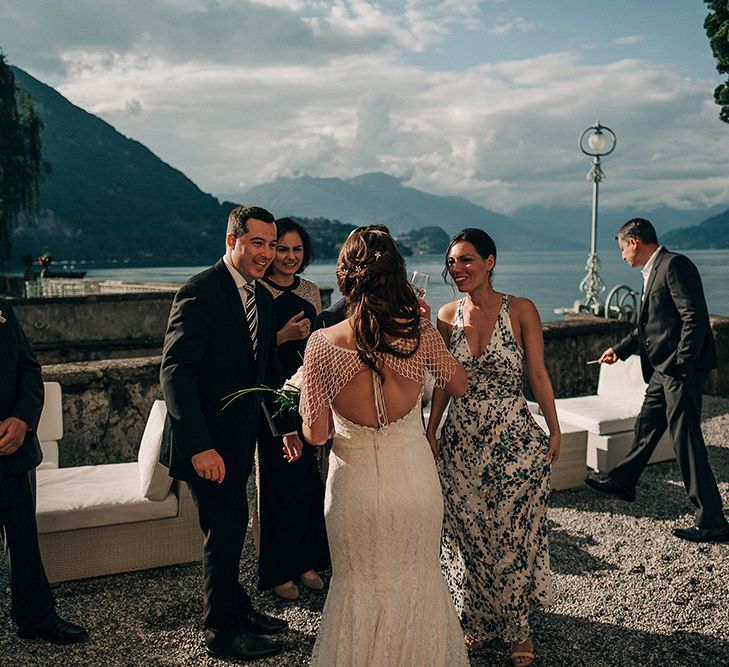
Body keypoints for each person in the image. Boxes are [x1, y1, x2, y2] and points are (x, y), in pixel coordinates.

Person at [299, 227, 470, 666]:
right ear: (396, 276)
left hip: (353, 488)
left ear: (346, 277)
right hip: (413, 483)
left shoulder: (322, 344)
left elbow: (316, 435)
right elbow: (459, 384)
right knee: (418, 578)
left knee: (356, 585)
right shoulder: (418, 335)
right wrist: (426, 328)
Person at [160, 205, 304, 661]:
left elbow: (265, 374)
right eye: (257, 243)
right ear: (232, 242)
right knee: (224, 530)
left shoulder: (261, 298)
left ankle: (236, 607)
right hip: (204, 443)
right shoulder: (200, 291)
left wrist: (283, 429)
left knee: (230, 528)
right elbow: (175, 373)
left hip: (240, 441)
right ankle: (221, 631)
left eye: (272, 244)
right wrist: (200, 446)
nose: (267, 253)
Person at [426, 228, 559, 667]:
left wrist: (554, 429)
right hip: (460, 441)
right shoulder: (447, 315)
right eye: (452, 262)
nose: (457, 269)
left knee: (511, 535)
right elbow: (445, 380)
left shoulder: (519, 309)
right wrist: (432, 429)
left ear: (490, 261)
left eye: (466, 260)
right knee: (468, 535)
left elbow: (537, 374)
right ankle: (479, 618)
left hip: (514, 440)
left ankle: (518, 628)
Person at [585, 217, 728, 543]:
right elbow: (649, 328)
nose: (621, 256)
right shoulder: (655, 270)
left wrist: (681, 364)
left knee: (687, 442)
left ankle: (712, 521)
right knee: (647, 425)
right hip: (665, 370)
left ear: (634, 242)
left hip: (679, 371)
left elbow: (694, 317)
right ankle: (623, 480)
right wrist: (618, 351)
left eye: (622, 249)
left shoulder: (674, 265)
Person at [0, 299, 87, 645]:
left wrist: (22, 420)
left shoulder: (3, 309)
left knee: (23, 538)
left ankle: (35, 617)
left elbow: (30, 370)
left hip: (12, 450)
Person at [257, 217, 330, 600]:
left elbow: (319, 346)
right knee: (277, 485)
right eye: (281, 249)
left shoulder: (310, 290)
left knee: (307, 481)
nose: (288, 257)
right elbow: (247, 353)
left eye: (296, 250)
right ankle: (279, 569)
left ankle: (308, 561)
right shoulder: (257, 292)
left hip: (306, 394)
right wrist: (282, 336)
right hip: (270, 397)